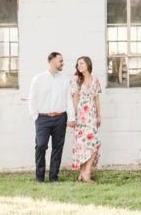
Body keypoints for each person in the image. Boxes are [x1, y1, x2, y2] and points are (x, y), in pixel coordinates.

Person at [28, 51, 73, 182]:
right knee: (41, 146)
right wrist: (35, 116)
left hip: (60, 118)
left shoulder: (65, 80)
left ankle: (54, 177)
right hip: (43, 118)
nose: (63, 63)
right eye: (61, 61)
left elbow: (68, 100)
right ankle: (39, 177)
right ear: (52, 61)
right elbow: (32, 98)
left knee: (57, 148)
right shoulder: (38, 78)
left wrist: (71, 118)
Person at [68, 55, 102, 183]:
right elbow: (75, 98)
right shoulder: (76, 79)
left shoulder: (95, 80)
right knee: (82, 145)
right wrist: (75, 116)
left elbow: (97, 99)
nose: (79, 66)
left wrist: (99, 115)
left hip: (92, 116)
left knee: (94, 143)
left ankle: (85, 173)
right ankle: (84, 173)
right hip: (81, 116)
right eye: (78, 64)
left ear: (88, 64)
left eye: (81, 63)